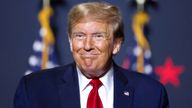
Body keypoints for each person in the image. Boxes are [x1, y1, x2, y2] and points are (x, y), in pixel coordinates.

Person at [14, 2, 169, 108]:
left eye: (98, 36)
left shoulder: (151, 95)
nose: (87, 46)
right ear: (70, 41)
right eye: (80, 36)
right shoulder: (34, 89)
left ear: (116, 44)